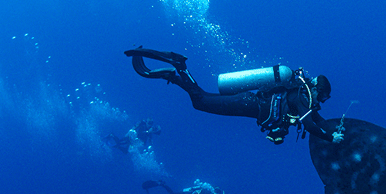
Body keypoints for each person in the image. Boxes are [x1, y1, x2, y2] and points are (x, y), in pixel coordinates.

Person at [124, 47, 339, 145]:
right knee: (200, 101)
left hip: (247, 102)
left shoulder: (302, 97)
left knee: (200, 99)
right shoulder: (302, 97)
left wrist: (336, 130)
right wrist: (331, 138)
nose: (321, 102)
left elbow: (318, 120)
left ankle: (173, 75)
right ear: (316, 90)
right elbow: (310, 126)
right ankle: (179, 66)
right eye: (323, 97)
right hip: (246, 103)